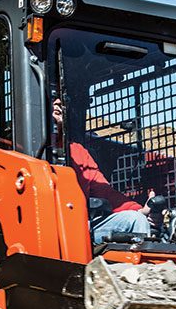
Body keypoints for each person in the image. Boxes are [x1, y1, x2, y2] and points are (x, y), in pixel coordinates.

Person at [52, 98, 154, 243]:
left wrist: (139, 210)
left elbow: (104, 192)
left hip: (77, 227)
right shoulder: (16, 149)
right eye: (51, 95)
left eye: (60, 98)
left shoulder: (76, 151)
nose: (57, 101)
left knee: (135, 220)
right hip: (45, 227)